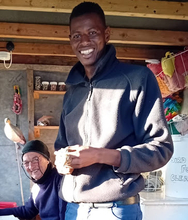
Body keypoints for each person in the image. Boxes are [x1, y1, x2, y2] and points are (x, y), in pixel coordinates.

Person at [54, 2, 174, 220]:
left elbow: (161, 149)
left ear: (106, 34)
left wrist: (100, 155)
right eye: (77, 36)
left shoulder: (137, 79)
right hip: (74, 210)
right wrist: (62, 161)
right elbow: (61, 145)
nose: (85, 42)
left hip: (115, 210)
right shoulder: (72, 90)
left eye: (92, 33)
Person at [0, 140, 67, 220]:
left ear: (48, 160)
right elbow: (27, 211)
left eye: (35, 160)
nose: (31, 167)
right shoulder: (36, 188)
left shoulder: (61, 179)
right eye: (26, 163)